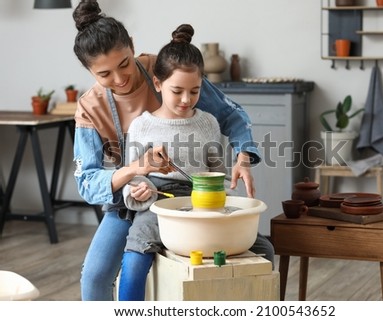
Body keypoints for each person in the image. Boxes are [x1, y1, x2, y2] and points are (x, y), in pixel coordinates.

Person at [71, 0, 274, 301]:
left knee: (260, 250)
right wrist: (135, 171)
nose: (120, 79)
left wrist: (243, 157)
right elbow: (87, 182)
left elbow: (231, 116)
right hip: (131, 201)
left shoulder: (166, 69)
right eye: (104, 74)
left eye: (124, 63)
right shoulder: (89, 108)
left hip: (191, 194)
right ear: (90, 72)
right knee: (95, 276)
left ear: (133, 47)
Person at [118, 24, 243, 300]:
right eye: (177, 91)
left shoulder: (208, 123)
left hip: (200, 201)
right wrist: (137, 189)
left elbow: (218, 175)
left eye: (195, 91)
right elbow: (133, 176)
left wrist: (228, 202)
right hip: (156, 203)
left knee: (263, 250)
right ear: (158, 84)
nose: (186, 100)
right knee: (135, 258)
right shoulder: (142, 126)